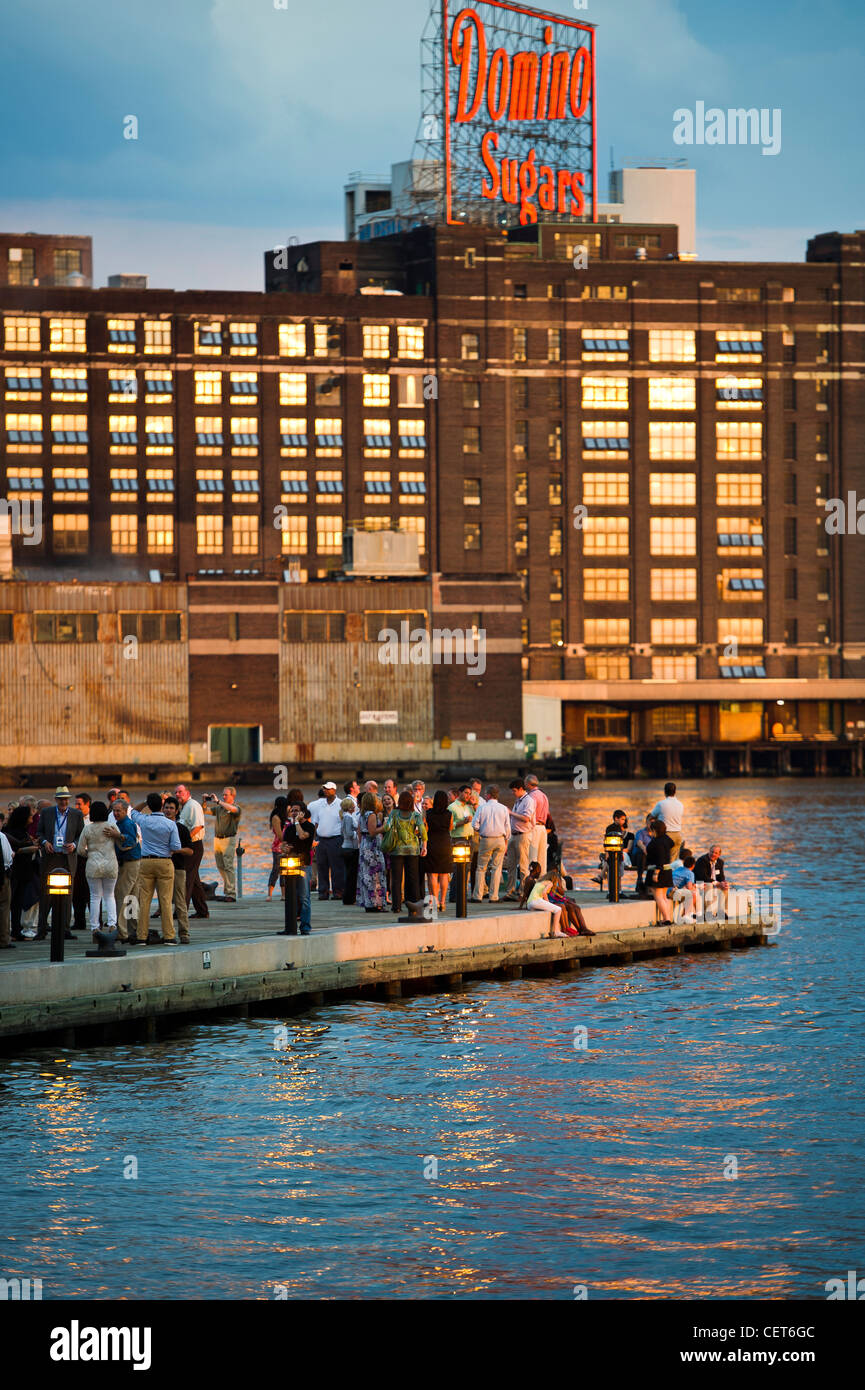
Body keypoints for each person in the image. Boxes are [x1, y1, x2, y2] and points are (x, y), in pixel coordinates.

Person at [36, 787, 86, 941]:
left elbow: (81, 835)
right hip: (51, 857)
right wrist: (45, 842)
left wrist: (74, 845)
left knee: (68, 894)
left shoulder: (76, 814)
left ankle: (65, 929)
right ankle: (42, 929)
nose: (64, 801)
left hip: (68, 858)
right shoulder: (47, 813)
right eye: (61, 799)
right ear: (56, 799)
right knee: (46, 894)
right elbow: (39, 833)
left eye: (66, 799)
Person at [135, 793, 181, 944]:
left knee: (144, 901)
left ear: (149, 805)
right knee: (166, 901)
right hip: (164, 862)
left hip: (146, 862)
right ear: (162, 806)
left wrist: (144, 802)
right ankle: (169, 936)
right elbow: (176, 846)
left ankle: (141, 936)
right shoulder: (170, 824)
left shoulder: (144, 820)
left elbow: (132, 812)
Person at [76, 801, 122, 941]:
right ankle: (113, 925)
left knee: (95, 897)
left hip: (93, 865)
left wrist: (89, 854)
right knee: (110, 895)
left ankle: (95, 928)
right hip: (111, 864)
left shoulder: (88, 829)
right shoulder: (111, 827)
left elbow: (79, 849)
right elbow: (120, 843)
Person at [385, 790, 427, 913]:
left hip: (396, 850)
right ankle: (413, 902)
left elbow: (387, 827)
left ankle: (396, 906)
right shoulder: (416, 815)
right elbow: (423, 831)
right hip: (412, 850)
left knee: (396, 879)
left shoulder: (394, 813)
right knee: (412, 877)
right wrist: (424, 846)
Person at [4, 804, 40, 941]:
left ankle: (15, 930)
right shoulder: (15, 832)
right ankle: (12, 931)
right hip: (16, 871)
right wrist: (29, 848)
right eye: (30, 816)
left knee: (17, 902)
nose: (32, 818)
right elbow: (14, 850)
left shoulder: (18, 830)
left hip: (23, 871)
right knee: (13, 901)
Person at [162, 796, 195, 943]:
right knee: (165, 901)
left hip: (178, 868)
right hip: (162, 867)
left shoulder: (181, 828)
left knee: (180, 901)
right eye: (166, 807)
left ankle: (184, 932)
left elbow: (190, 851)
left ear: (177, 811)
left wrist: (176, 850)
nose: (168, 810)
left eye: (171, 808)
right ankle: (168, 933)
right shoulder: (159, 826)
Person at [472, 785, 511, 902]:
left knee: (481, 868)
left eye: (485, 794)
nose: (484, 796)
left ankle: (477, 896)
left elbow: (474, 824)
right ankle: (494, 897)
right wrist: (506, 839)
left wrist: (481, 830)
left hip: (486, 839)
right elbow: (508, 827)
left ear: (488, 795)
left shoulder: (482, 808)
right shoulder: (504, 808)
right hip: (500, 839)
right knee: (496, 868)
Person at [175, 784, 209, 919]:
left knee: (186, 878)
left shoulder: (193, 805)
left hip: (193, 845)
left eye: (180, 792)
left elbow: (198, 826)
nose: (178, 794)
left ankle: (181, 911)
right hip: (189, 845)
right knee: (194, 880)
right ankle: (202, 911)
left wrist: (186, 842)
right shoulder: (184, 807)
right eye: (176, 792)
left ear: (187, 792)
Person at [281, 801, 316, 934]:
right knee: (291, 896)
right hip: (290, 864)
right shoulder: (288, 828)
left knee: (304, 897)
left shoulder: (309, 826)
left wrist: (296, 823)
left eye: (297, 810)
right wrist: (285, 848)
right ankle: (290, 927)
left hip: (303, 864)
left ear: (303, 812)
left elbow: (302, 836)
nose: (294, 813)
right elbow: (283, 845)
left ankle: (305, 926)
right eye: (292, 811)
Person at [111, 798, 141, 943]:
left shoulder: (127, 823)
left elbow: (129, 840)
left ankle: (122, 932)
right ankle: (133, 928)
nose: (116, 813)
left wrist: (117, 836)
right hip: (134, 863)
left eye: (118, 811)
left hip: (129, 863)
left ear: (125, 811)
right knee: (132, 898)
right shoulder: (122, 823)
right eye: (114, 810)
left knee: (121, 895)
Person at [204, 786, 241, 901]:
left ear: (232, 796)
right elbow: (206, 811)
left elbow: (234, 810)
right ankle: (227, 891)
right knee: (220, 866)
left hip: (228, 839)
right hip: (217, 839)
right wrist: (204, 802)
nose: (223, 796)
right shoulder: (220, 808)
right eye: (223, 794)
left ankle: (231, 894)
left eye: (226, 795)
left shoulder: (236, 808)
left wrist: (219, 801)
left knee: (228, 866)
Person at [309, 782, 344, 901]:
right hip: (321, 839)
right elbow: (316, 823)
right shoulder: (321, 805)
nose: (325, 790)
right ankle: (323, 892)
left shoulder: (341, 804)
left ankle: (338, 892)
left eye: (328, 789)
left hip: (336, 838)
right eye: (324, 789)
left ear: (334, 790)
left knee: (337, 867)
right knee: (321, 866)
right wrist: (313, 839)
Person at [502, 779, 536, 901]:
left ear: (521, 789)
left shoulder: (529, 801)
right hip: (513, 835)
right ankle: (510, 892)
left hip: (523, 835)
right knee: (510, 865)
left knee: (523, 866)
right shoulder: (518, 800)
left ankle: (523, 893)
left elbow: (526, 818)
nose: (513, 793)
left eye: (514, 790)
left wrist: (510, 813)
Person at [357, 792, 388, 912]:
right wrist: (384, 827)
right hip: (372, 847)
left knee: (366, 875)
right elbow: (372, 831)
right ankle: (377, 903)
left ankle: (368, 902)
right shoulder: (372, 815)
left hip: (364, 845)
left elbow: (359, 831)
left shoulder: (362, 814)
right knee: (376, 875)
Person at [424, 790, 454, 912]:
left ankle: (434, 900)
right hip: (445, 843)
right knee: (444, 873)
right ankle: (442, 902)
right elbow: (451, 827)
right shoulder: (449, 814)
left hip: (432, 843)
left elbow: (425, 828)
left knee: (432, 873)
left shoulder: (428, 813)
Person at [646, 819, 674, 923]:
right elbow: (672, 844)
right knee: (664, 896)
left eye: (652, 830)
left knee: (658, 896)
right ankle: (668, 918)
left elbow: (660, 859)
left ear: (655, 830)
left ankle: (666, 919)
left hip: (658, 870)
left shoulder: (657, 842)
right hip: (667, 870)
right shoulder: (666, 839)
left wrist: (656, 873)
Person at [72, 792, 92, 931]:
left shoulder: (93, 821)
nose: (76, 806)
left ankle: (97, 921)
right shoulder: (73, 819)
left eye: (79, 804)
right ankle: (79, 921)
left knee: (92, 892)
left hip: (90, 858)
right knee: (77, 891)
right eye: (76, 804)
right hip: (77, 858)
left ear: (87, 804)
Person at [651, 782, 685, 861]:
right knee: (673, 862)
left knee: (663, 860)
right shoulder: (680, 804)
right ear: (675, 792)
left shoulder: (661, 804)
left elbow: (651, 816)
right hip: (677, 835)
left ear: (664, 792)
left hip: (666, 835)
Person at [524, 774, 550, 875]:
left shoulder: (531, 796)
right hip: (543, 828)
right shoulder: (544, 795)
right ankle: (541, 881)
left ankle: (531, 882)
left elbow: (530, 814)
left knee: (532, 857)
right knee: (542, 858)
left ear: (528, 784)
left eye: (525, 783)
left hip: (534, 828)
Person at [694, 845, 730, 917]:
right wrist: (717, 883)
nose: (713, 854)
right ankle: (707, 913)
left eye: (716, 853)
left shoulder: (720, 862)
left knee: (725, 887)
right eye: (712, 852)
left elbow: (721, 876)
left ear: (719, 855)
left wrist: (723, 882)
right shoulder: (702, 860)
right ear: (709, 852)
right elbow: (703, 876)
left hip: (713, 882)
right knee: (709, 885)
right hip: (700, 882)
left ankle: (721, 911)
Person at [267, 796, 289, 900]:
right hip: (278, 847)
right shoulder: (276, 817)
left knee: (285, 870)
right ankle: (269, 894)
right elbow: (280, 835)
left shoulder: (287, 816)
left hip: (287, 847)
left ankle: (284, 894)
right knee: (276, 869)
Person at [339, 796, 360, 906]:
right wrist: (358, 834)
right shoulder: (348, 817)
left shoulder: (346, 817)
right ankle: (349, 898)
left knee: (350, 874)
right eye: (352, 806)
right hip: (350, 848)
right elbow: (348, 833)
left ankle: (349, 897)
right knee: (351, 875)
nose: (354, 807)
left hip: (348, 847)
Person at [670, 853, 698, 921]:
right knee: (693, 894)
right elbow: (689, 888)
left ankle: (688, 914)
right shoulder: (690, 873)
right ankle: (686, 915)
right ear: (693, 865)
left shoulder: (679, 868)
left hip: (667, 890)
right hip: (671, 893)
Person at [632, 814, 653, 897]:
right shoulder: (641, 832)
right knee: (642, 853)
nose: (651, 824)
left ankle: (649, 885)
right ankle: (639, 879)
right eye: (649, 822)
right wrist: (646, 850)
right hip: (637, 858)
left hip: (649, 858)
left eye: (653, 823)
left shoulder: (656, 835)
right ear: (646, 822)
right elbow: (639, 843)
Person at [0, 826, 13, 949]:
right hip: (2, 876)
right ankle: (3, 939)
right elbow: (8, 856)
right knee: (4, 907)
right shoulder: (1, 836)